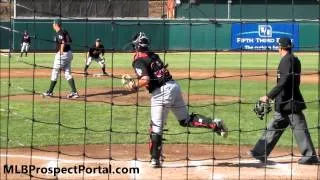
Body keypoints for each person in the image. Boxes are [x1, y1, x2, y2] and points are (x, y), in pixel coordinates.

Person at [128, 32, 228, 168]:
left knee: (156, 127)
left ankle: (155, 159)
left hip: (161, 93)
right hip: (173, 87)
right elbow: (150, 80)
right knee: (185, 120)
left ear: (136, 46)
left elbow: (145, 79)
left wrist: (133, 85)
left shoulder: (138, 60)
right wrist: (141, 85)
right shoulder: (153, 55)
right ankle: (214, 124)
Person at [249, 37, 318, 165]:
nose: (277, 48)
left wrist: (269, 96)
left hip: (290, 101)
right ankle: (259, 152)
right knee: (274, 126)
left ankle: (310, 156)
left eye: (278, 46)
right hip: (285, 101)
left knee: (299, 128)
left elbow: (284, 81)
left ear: (280, 47)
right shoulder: (293, 59)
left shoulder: (287, 60)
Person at [42, 19, 79, 99]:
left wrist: (61, 50)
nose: (52, 25)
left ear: (55, 24)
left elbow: (63, 42)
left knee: (55, 71)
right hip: (69, 54)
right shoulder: (64, 31)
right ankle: (74, 92)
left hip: (63, 55)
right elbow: (69, 41)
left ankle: (50, 92)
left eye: (53, 23)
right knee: (67, 73)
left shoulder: (59, 32)